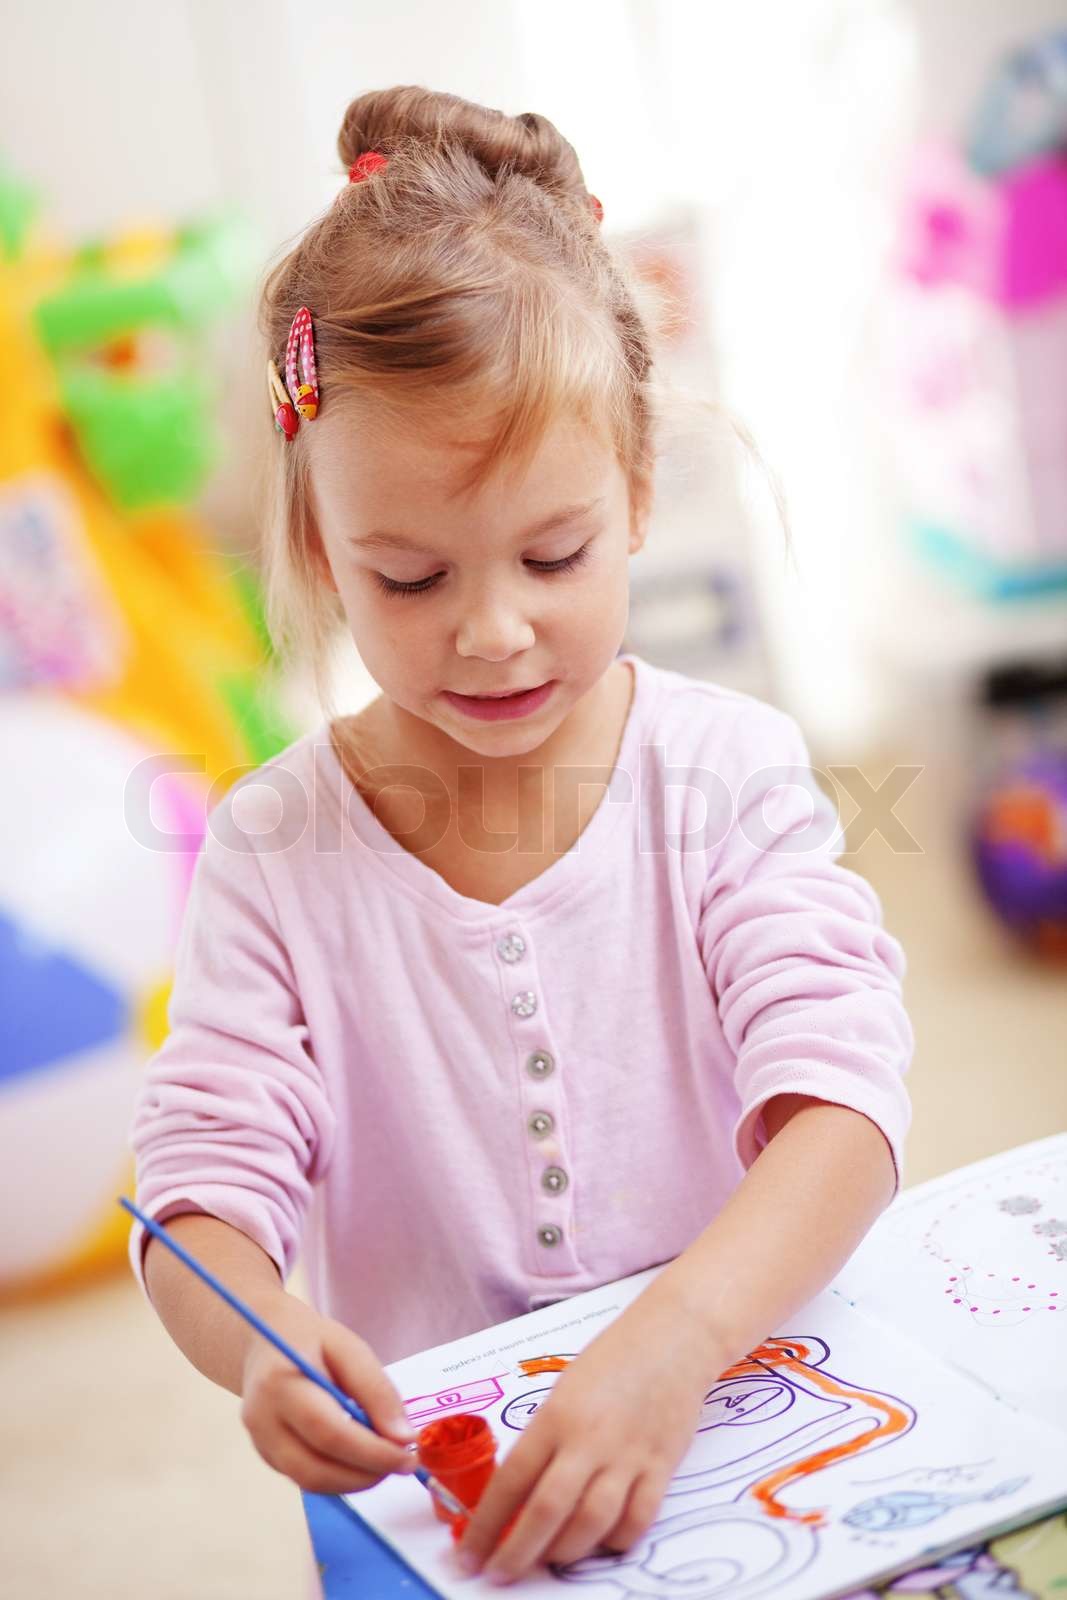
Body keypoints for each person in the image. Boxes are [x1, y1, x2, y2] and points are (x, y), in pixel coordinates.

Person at [128, 86, 914, 1590]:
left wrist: (674, 1345)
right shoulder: (272, 847)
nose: (491, 633)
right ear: (319, 550)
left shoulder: (728, 772)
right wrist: (264, 1351)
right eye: (409, 578)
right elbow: (198, 1200)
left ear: (629, 500)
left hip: (747, 1413)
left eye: (550, 556)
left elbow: (846, 1110)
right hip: (460, 1501)